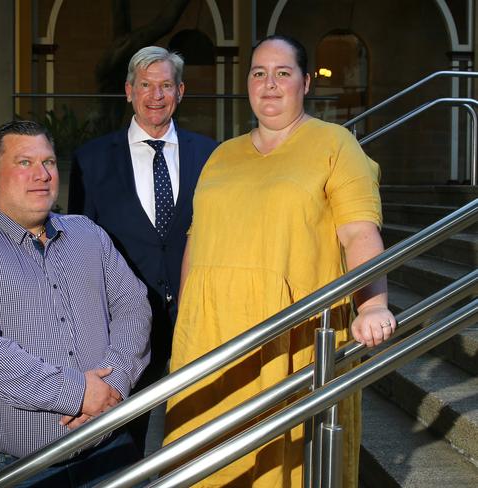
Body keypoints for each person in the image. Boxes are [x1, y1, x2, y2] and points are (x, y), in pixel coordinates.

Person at [163, 35, 396, 487]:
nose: (269, 84)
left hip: (288, 333)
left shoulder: (334, 143)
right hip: (211, 335)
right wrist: (184, 320)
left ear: (305, 83)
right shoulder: (221, 155)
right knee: (204, 460)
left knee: (276, 463)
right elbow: (198, 240)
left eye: (282, 73)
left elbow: (359, 232)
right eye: (258, 73)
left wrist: (372, 306)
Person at [0, 120, 151, 487]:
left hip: (107, 448)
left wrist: (115, 381)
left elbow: (133, 305)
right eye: (24, 163)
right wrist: (77, 394)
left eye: (49, 162)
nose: (42, 175)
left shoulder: (88, 235)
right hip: (15, 469)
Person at [68, 46, 218, 454]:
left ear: (181, 91)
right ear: (129, 91)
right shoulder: (92, 159)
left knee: (201, 429)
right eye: (146, 85)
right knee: (120, 436)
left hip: (196, 316)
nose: (156, 95)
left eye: (166, 85)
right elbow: (80, 243)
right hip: (123, 324)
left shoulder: (211, 156)